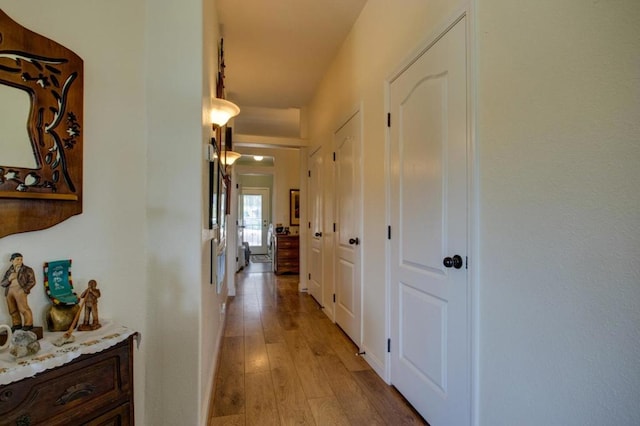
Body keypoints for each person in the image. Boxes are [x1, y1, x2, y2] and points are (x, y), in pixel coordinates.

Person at [1, 253, 36, 332]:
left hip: (20, 290)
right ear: (12, 261)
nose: (20, 261)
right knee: (12, 309)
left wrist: (24, 290)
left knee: (23, 308)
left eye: (21, 259)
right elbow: (2, 283)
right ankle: (16, 324)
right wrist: (9, 279)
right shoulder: (9, 271)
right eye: (17, 259)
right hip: (9, 291)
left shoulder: (27, 269)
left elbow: (32, 281)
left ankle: (28, 324)